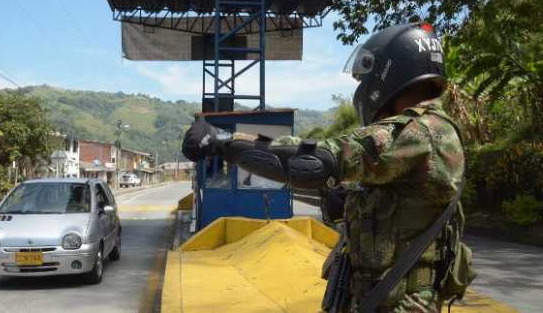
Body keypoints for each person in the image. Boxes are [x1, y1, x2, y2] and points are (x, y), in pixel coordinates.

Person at [182, 23, 474, 312]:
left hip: (400, 304)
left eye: (366, 78)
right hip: (383, 299)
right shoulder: (422, 135)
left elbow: (313, 160)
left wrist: (224, 141)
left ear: (391, 74)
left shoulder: (420, 132)